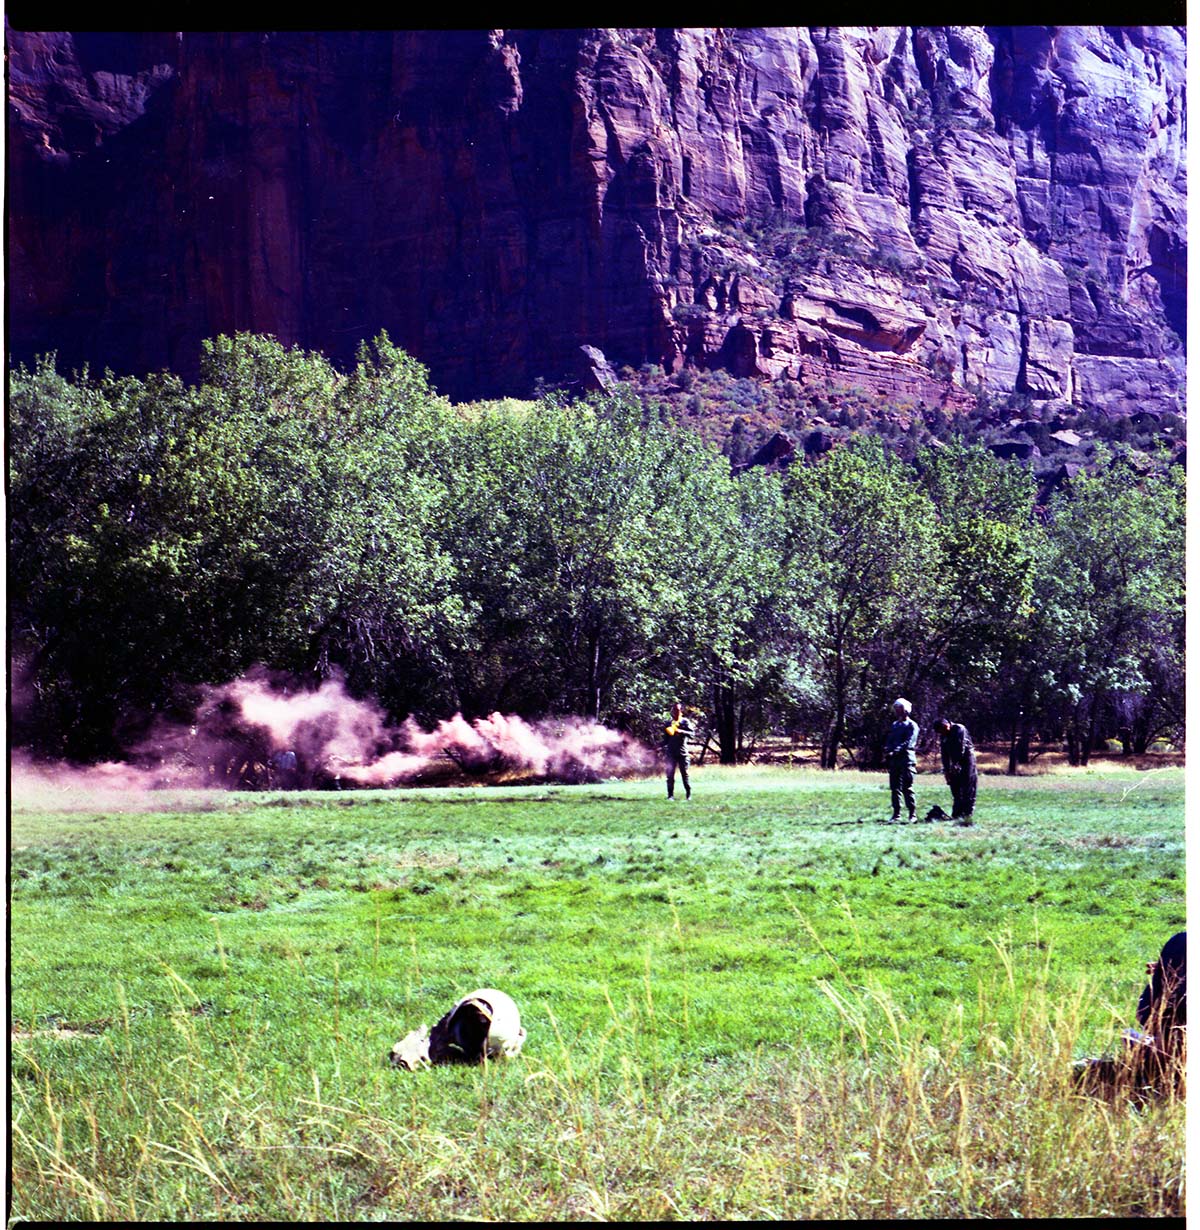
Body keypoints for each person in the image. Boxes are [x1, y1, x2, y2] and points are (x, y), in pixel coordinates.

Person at [935, 717, 977, 824]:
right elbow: (944, 754)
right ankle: (957, 813)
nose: (944, 732)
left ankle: (967, 815)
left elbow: (960, 748)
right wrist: (946, 770)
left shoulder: (959, 729)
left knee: (968, 787)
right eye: (941, 732)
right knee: (955, 788)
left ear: (947, 724)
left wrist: (955, 765)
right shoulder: (943, 736)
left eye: (944, 729)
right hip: (953, 761)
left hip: (966, 760)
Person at [884, 698, 918, 822]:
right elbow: (890, 739)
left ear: (906, 710)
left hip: (907, 760)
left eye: (900, 709)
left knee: (907, 787)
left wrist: (896, 750)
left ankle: (912, 814)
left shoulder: (912, 725)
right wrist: (887, 748)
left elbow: (909, 742)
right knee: (895, 788)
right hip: (894, 761)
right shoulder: (894, 725)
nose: (898, 711)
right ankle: (896, 814)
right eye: (896, 708)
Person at [661, 702, 693, 800]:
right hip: (671, 753)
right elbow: (665, 740)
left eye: (678, 710)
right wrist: (657, 746)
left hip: (683, 753)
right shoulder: (668, 724)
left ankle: (688, 795)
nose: (676, 712)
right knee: (670, 775)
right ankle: (670, 796)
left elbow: (692, 734)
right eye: (674, 710)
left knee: (685, 775)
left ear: (681, 711)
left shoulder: (685, 722)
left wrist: (681, 731)